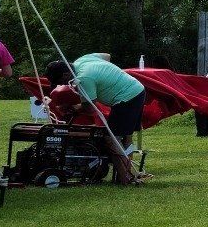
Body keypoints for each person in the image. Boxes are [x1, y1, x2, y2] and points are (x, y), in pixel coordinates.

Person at [44, 53, 147, 185]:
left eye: (60, 82)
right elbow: (107, 56)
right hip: (136, 89)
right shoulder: (82, 60)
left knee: (111, 138)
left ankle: (126, 178)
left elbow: (89, 107)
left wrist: (73, 108)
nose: (63, 85)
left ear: (65, 75)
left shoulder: (83, 79)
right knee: (126, 135)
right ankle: (125, 175)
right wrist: (109, 76)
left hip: (126, 98)